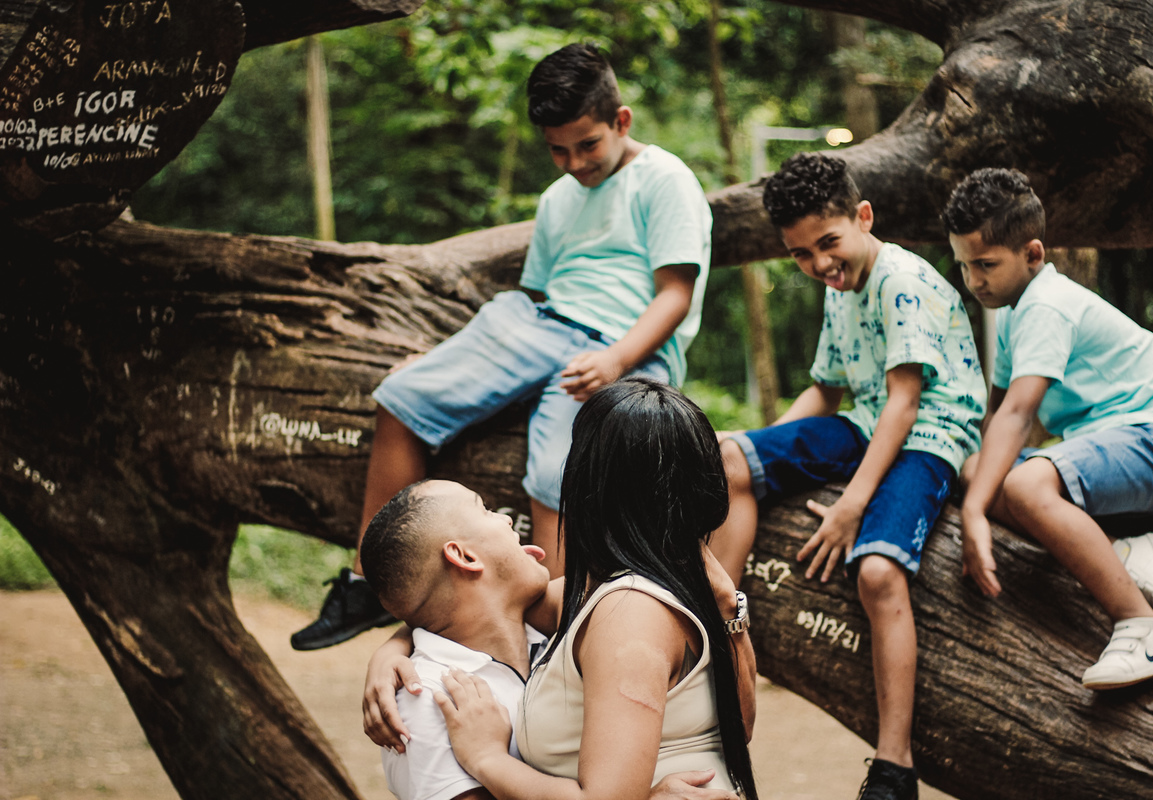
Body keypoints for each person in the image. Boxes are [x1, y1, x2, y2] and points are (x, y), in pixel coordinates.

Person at [291, 42, 712, 651]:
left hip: (623, 343)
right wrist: (444, 359)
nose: (573, 162)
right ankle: (367, 585)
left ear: (621, 121)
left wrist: (616, 361)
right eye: (558, 150)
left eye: (587, 145)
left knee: (555, 473)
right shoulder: (557, 198)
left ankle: (557, 632)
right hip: (541, 322)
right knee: (401, 397)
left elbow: (675, 294)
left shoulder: (665, 178)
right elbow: (533, 297)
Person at [710, 153, 986, 800]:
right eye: (801, 254)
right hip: (866, 421)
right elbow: (825, 390)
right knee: (727, 457)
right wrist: (759, 451)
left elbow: (905, 404)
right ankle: (720, 625)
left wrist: (850, 506)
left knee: (878, 571)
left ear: (863, 217)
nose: (819, 263)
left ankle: (894, 766)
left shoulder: (901, 281)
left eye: (828, 243)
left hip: (929, 433)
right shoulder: (840, 287)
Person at [363, 379, 758, 800]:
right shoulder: (432, 693)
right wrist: (395, 648)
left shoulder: (618, 607)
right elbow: (444, 613)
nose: (507, 518)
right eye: (486, 509)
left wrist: (487, 759)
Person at [943, 167, 1153, 690]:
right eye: (965, 266)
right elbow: (998, 417)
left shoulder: (1047, 304)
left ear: (1033, 254)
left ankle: (1144, 629)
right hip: (1118, 452)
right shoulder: (1014, 314)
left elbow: (1019, 414)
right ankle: (1123, 544)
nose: (974, 281)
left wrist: (974, 514)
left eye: (986, 264)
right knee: (973, 469)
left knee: (1021, 484)